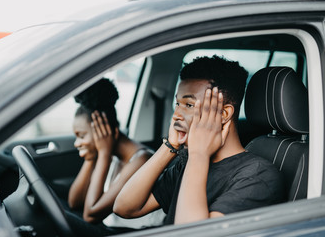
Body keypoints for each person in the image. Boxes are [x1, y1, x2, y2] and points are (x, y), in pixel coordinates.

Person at [113, 55, 286, 225]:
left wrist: (199, 155)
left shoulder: (258, 176)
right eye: (177, 104)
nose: (176, 116)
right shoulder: (187, 162)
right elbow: (125, 208)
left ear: (224, 114)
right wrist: (170, 146)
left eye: (189, 105)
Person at [67, 78, 165, 236]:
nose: (77, 143)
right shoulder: (112, 155)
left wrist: (104, 154)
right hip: (111, 229)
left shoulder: (141, 160)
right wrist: (91, 159)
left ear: (103, 129)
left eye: (82, 135)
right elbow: (74, 202)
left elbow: (90, 215)